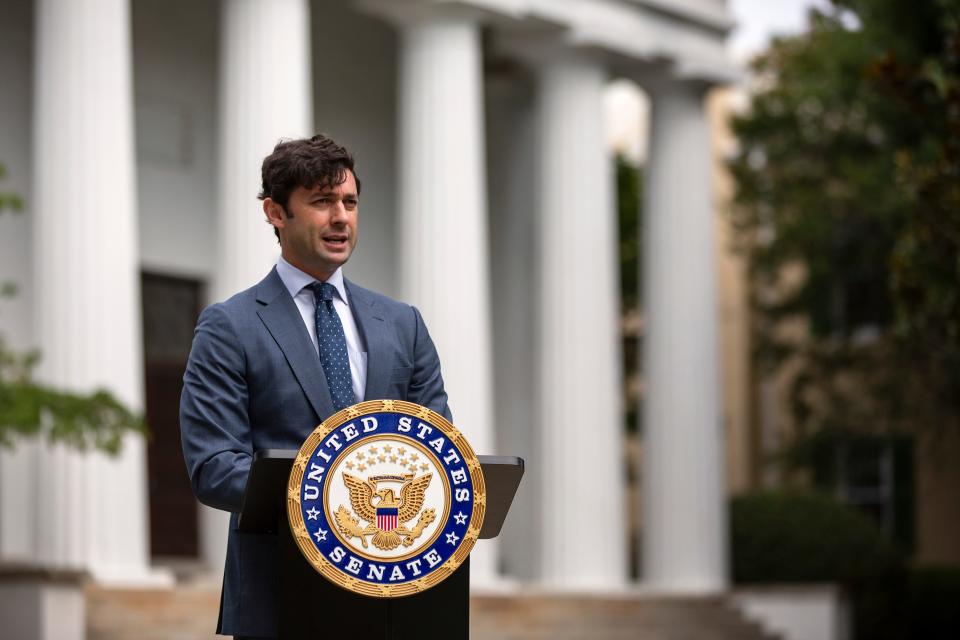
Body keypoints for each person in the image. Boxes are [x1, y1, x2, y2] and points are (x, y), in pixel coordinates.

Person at [179, 134, 451, 639]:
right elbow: (214, 466)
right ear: (275, 212)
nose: (341, 217)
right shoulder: (230, 326)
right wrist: (331, 500)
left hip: (396, 596)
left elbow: (435, 447)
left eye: (349, 202)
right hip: (281, 599)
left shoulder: (403, 324)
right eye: (322, 202)